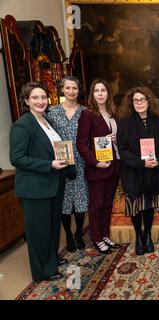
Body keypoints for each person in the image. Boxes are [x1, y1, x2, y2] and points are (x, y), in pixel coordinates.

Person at [9, 81, 75, 282]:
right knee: (39, 232)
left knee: (53, 227)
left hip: (53, 185)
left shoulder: (47, 122)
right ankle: (42, 271)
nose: (40, 101)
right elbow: (17, 158)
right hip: (35, 188)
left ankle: (51, 260)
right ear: (27, 101)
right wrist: (50, 165)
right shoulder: (22, 125)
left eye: (43, 97)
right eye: (35, 97)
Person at [117, 86, 159, 255]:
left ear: (149, 101)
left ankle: (148, 235)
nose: (139, 103)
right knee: (136, 206)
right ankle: (138, 235)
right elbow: (122, 149)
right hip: (133, 171)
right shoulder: (124, 122)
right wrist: (140, 162)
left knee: (149, 205)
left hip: (153, 171)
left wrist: (157, 161)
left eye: (142, 99)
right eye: (136, 100)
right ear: (131, 103)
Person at [77, 79, 121, 254]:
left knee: (108, 204)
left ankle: (104, 234)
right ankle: (96, 238)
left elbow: (116, 138)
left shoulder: (113, 113)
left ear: (108, 93)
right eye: (97, 91)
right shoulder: (88, 114)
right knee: (96, 204)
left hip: (114, 166)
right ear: (92, 94)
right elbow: (81, 143)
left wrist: (117, 139)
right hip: (97, 168)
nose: (100, 93)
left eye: (103, 90)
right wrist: (95, 162)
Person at [46, 76, 88, 253]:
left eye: (75, 88)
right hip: (61, 162)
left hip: (81, 160)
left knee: (80, 199)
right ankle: (68, 235)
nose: (72, 91)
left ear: (79, 90)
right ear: (62, 90)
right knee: (64, 202)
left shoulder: (86, 112)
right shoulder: (52, 112)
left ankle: (79, 232)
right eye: (68, 88)